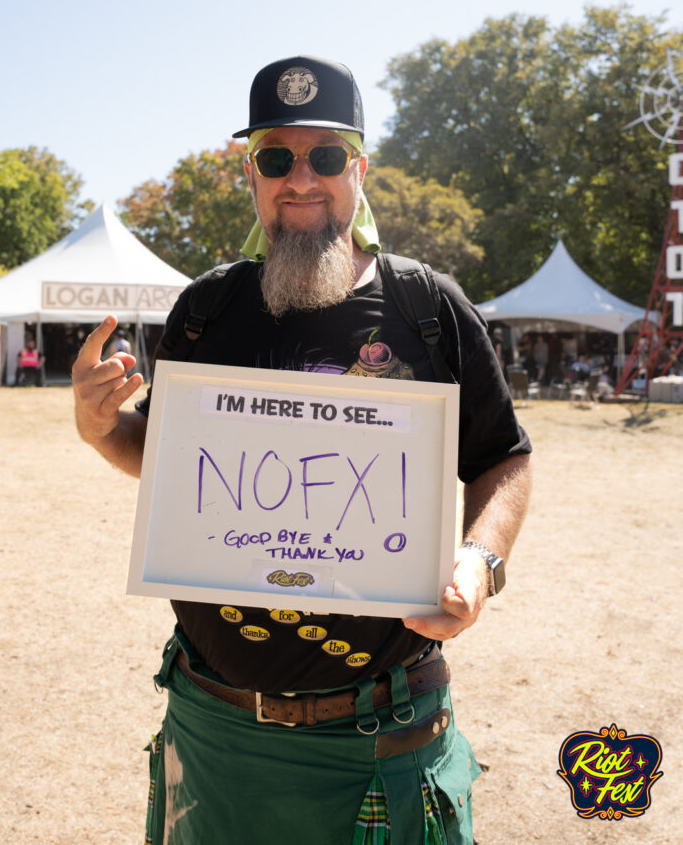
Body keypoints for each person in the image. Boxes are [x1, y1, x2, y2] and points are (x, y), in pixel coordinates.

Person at [72, 55, 532, 845]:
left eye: (325, 156)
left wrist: (478, 561)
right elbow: (175, 463)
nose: (301, 178)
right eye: (275, 157)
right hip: (214, 731)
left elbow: (505, 457)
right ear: (251, 174)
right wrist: (101, 427)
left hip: (382, 734)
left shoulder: (428, 309)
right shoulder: (205, 311)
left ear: (359, 168)